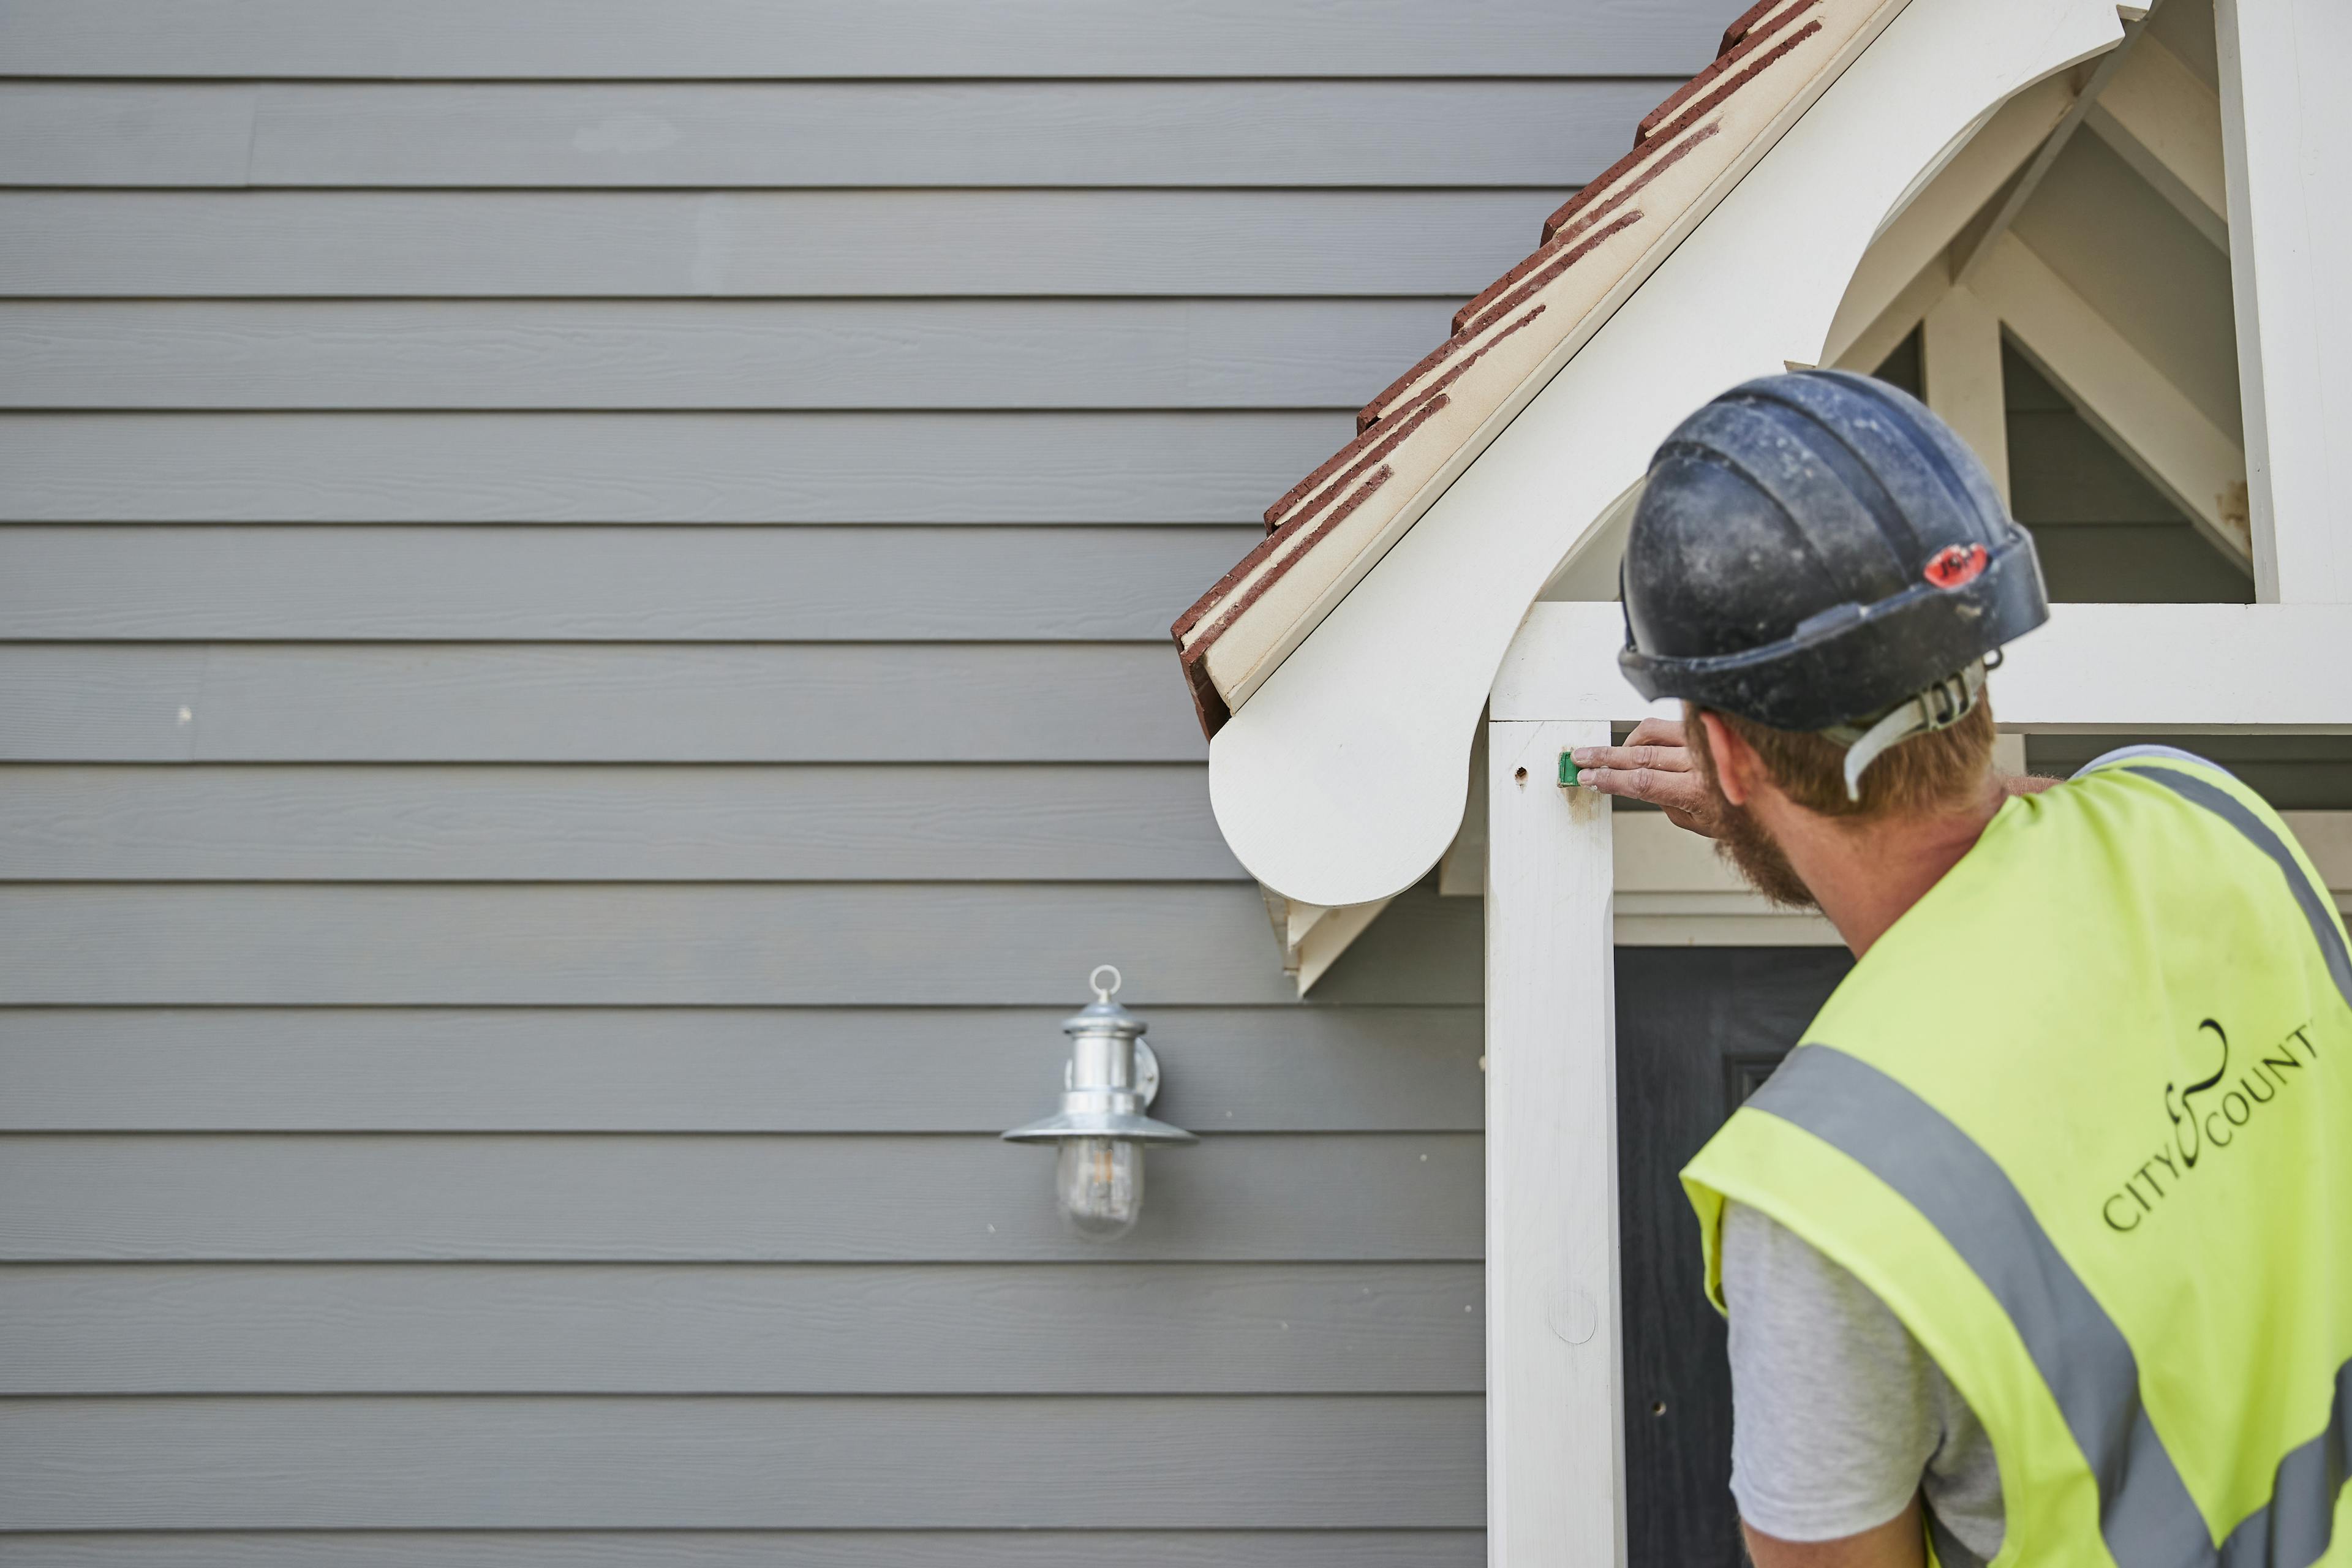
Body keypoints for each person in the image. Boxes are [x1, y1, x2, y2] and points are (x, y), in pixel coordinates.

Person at [1569, 370, 2350, 1567]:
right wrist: (1769, 796)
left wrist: (1759, 802)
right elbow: (2025, 857)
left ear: (1720, 750)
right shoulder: (2213, 821)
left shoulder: (1825, 1198)